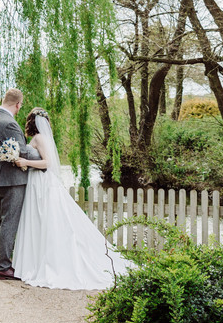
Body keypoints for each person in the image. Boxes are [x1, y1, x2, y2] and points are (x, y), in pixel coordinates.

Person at [11, 108, 134, 290]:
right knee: (41, 220)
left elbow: (47, 163)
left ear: (31, 121)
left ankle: (45, 262)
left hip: (43, 183)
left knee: (45, 220)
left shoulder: (39, 139)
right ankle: (37, 260)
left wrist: (25, 163)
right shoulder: (40, 138)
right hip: (38, 182)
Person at [0, 87, 42, 281]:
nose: (19, 110)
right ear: (17, 104)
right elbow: (22, 152)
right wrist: (41, 153)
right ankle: (4, 267)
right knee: (9, 221)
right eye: (19, 106)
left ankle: (1, 262)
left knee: (2, 219)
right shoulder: (10, 123)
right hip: (10, 179)